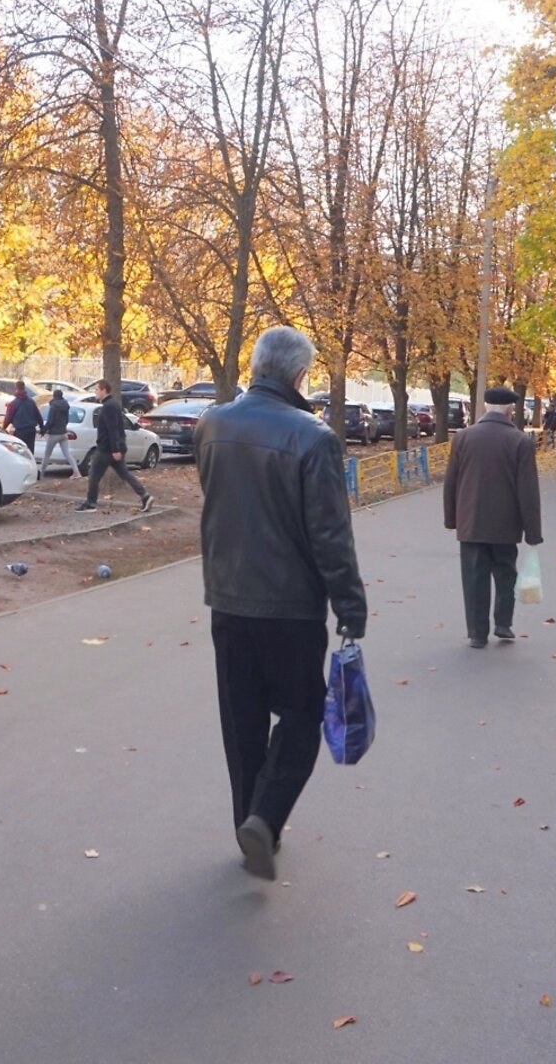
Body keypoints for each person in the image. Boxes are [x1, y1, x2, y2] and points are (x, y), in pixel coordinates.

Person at [195, 327, 367, 880]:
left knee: (240, 720)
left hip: (227, 598)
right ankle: (265, 820)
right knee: (300, 715)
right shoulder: (313, 437)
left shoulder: (212, 425)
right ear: (299, 375)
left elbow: (217, 499)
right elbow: (330, 535)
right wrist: (350, 605)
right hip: (291, 607)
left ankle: (249, 821)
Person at [442, 386, 543, 649]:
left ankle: (477, 633)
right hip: (505, 525)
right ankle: (503, 624)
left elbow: (451, 482)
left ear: (485, 408)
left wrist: (451, 518)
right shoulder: (521, 441)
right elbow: (528, 490)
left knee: (474, 577)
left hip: (470, 521)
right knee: (505, 574)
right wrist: (533, 532)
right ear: (510, 410)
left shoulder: (463, 437)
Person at [75, 379, 154, 513]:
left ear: (104, 390)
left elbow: (113, 429)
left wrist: (115, 449)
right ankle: (145, 496)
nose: (95, 392)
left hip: (106, 449)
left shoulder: (108, 407)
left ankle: (90, 503)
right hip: (113, 448)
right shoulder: (113, 405)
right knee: (125, 474)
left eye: (97, 389)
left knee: (94, 475)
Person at [40, 387, 80, 478]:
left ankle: (41, 475)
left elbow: (50, 421)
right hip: (63, 433)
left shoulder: (53, 407)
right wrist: (63, 427)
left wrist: (43, 430)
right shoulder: (66, 406)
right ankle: (77, 472)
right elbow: (66, 420)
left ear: (54, 396)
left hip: (54, 434)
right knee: (67, 454)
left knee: (47, 455)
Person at [2, 380, 43, 456]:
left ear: (16, 388)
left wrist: (3, 429)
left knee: (20, 453)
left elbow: (8, 418)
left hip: (20, 431)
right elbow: (38, 415)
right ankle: (30, 466)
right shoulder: (31, 402)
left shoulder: (13, 403)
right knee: (30, 453)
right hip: (31, 431)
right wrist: (42, 427)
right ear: (24, 388)